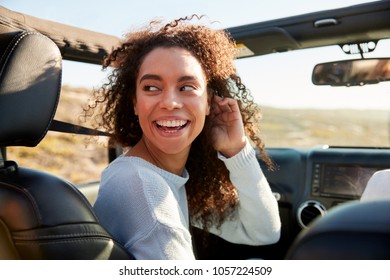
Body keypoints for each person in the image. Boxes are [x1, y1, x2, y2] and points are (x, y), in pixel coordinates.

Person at [87, 15, 281, 260]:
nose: (169, 103)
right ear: (135, 103)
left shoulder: (167, 178)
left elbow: (264, 233)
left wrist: (236, 150)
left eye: (187, 87)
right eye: (151, 88)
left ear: (209, 102)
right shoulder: (146, 189)